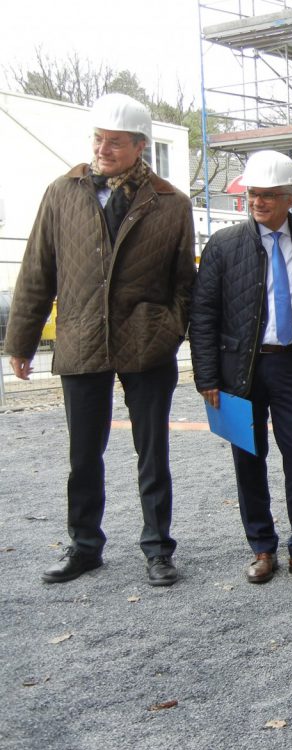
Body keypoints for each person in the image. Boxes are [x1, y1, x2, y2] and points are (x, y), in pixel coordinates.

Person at [5, 93, 195, 587]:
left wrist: (171, 330)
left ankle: (157, 549)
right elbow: (37, 270)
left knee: (152, 453)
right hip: (82, 339)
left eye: (114, 142)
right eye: (98, 139)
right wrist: (20, 341)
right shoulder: (62, 193)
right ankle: (84, 546)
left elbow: (184, 281)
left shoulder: (171, 203)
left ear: (139, 146)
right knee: (83, 454)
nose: (103, 149)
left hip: (147, 344)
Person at [190, 150, 292, 586]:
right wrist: (207, 377)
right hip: (239, 372)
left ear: (290, 198)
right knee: (248, 458)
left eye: (269, 195)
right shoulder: (223, 246)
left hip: (290, 366)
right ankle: (262, 547)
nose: (258, 202)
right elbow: (203, 315)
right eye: (253, 194)